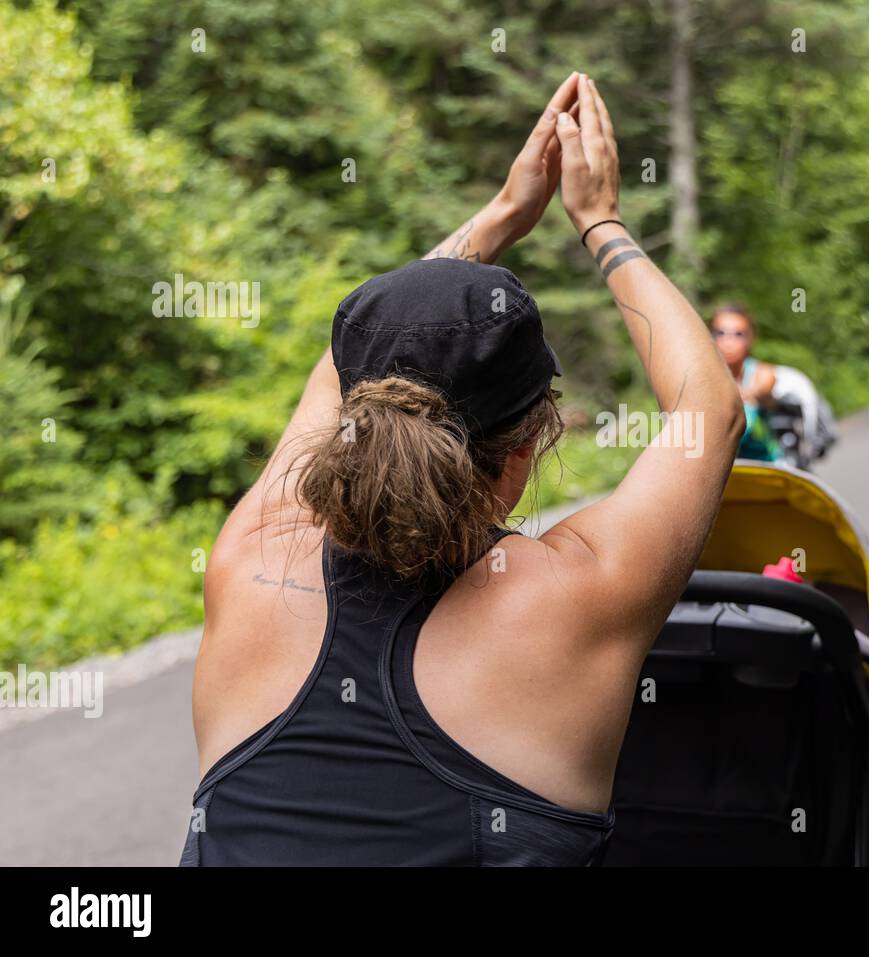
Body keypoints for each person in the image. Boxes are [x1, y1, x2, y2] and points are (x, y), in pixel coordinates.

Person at [182, 73, 744, 866]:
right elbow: (709, 408)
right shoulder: (578, 596)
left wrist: (502, 213)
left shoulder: (249, 561)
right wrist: (601, 222)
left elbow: (336, 371)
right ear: (524, 451)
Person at [710, 304, 782, 462]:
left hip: (763, 468)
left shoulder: (762, 373)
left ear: (750, 338)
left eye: (738, 334)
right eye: (721, 333)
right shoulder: (704, 375)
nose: (729, 341)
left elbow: (762, 391)